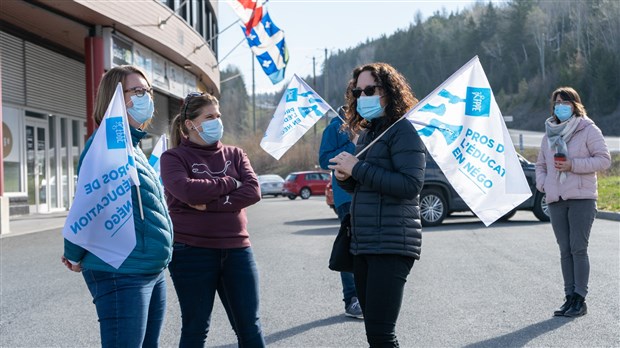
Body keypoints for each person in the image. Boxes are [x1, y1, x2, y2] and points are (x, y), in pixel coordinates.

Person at [61, 65, 174, 347]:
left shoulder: (131, 146)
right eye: (137, 91)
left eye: (147, 91)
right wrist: (73, 254)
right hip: (122, 273)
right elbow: (90, 203)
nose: (145, 97)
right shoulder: (106, 146)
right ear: (113, 98)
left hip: (150, 269)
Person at [328, 62, 426, 347]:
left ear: (389, 91)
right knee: (374, 333)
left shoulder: (403, 130)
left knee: (382, 335)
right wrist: (346, 177)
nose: (363, 96)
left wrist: (357, 168)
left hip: (391, 244)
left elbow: (410, 185)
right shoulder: (370, 133)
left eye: (370, 89)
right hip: (364, 244)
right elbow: (366, 185)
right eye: (357, 91)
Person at [160, 92, 266, 347]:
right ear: (190, 124)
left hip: (237, 250)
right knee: (196, 328)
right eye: (209, 117)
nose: (216, 121)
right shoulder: (173, 158)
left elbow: (253, 191)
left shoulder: (235, 154)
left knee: (250, 327)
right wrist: (230, 182)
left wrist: (210, 203)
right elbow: (186, 190)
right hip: (191, 251)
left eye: (218, 116)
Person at [535, 86, 611, 318]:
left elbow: (604, 160)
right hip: (556, 199)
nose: (560, 106)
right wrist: (543, 184)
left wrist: (573, 165)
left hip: (581, 199)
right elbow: (541, 165)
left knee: (578, 249)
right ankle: (569, 297)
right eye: (557, 102)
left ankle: (580, 299)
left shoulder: (588, 129)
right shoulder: (549, 133)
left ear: (575, 105)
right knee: (565, 250)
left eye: (565, 103)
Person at [319, 105, 363, 319]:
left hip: (371, 193)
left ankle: (368, 296)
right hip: (347, 196)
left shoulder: (372, 124)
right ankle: (352, 299)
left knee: (369, 246)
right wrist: (351, 144)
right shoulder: (335, 128)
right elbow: (325, 159)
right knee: (351, 245)